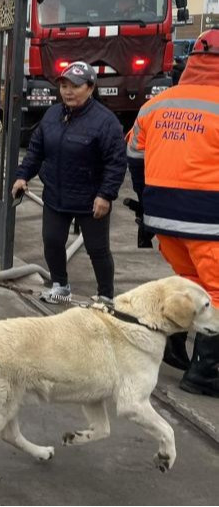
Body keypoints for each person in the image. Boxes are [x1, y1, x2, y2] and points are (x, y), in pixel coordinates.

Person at [127, 28, 219, 398]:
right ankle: (205, 373)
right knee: (215, 291)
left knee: (187, 283)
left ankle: (173, 347)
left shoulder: (156, 104)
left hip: (163, 216)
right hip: (208, 218)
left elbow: (134, 155)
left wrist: (147, 200)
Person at [11, 61, 126, 304]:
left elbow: (116, 163)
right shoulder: (53, 114)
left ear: (90, 87)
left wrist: (105, 195)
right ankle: (60, 286)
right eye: (63, 85)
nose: (67, 91)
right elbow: (35, 150)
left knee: (97, 250)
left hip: (90, 199)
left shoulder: (105, 122)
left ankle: (106, 296)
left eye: (75, 86)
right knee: (52, 242)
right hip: (56, 194)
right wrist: (22, 176)